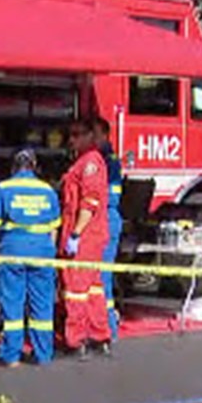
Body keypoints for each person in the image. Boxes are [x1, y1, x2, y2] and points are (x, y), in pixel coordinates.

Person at [0, 149, 60, 367]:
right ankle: (43, 355)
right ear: (34, 166)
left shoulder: (4, 188)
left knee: (12, 304)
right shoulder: (48, 190)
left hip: (13, 250)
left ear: (14, 166)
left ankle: (11, 356)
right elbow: (54, 226)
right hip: (43, 251)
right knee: (43, 306)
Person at [57, 121, 113, 359]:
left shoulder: (90, 162)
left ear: (91, 136)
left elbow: (90, 202)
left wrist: (76, 234)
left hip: (85, 235)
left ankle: (76, 340)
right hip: (91, 235)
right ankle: (100, 336)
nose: (72, 139)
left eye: (78, 134)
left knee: (75, 288)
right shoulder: (84, 162)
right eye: (70, 134)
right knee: (93, 287)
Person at [94, 117, 124, 343]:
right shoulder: (97, 160)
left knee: (102, 278)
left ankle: (108, 331)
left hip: (106, 220)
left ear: (105, 135)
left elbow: (112, 196)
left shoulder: (110, 163)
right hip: (99, 221)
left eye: (95, 134)